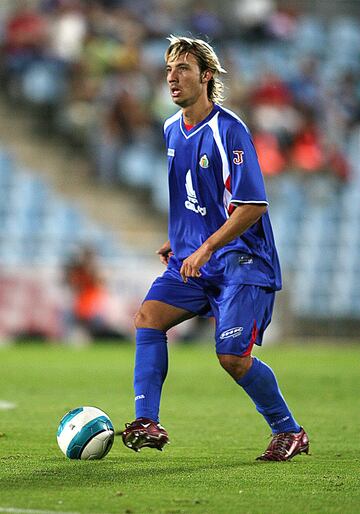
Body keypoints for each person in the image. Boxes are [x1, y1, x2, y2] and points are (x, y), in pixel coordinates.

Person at [121, 35, 309, 461]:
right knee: (149, 318)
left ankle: (290, 431)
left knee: (232, 357)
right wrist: (182, 238)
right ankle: (147, 420)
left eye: (182, 69)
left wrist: (204, 247)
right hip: (194, 257)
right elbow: (194, 195)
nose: (172, 78)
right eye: (168, 69)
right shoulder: (171, 127)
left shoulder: (230, 130)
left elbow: (253, 206)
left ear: (206, 76)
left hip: (242, 260)